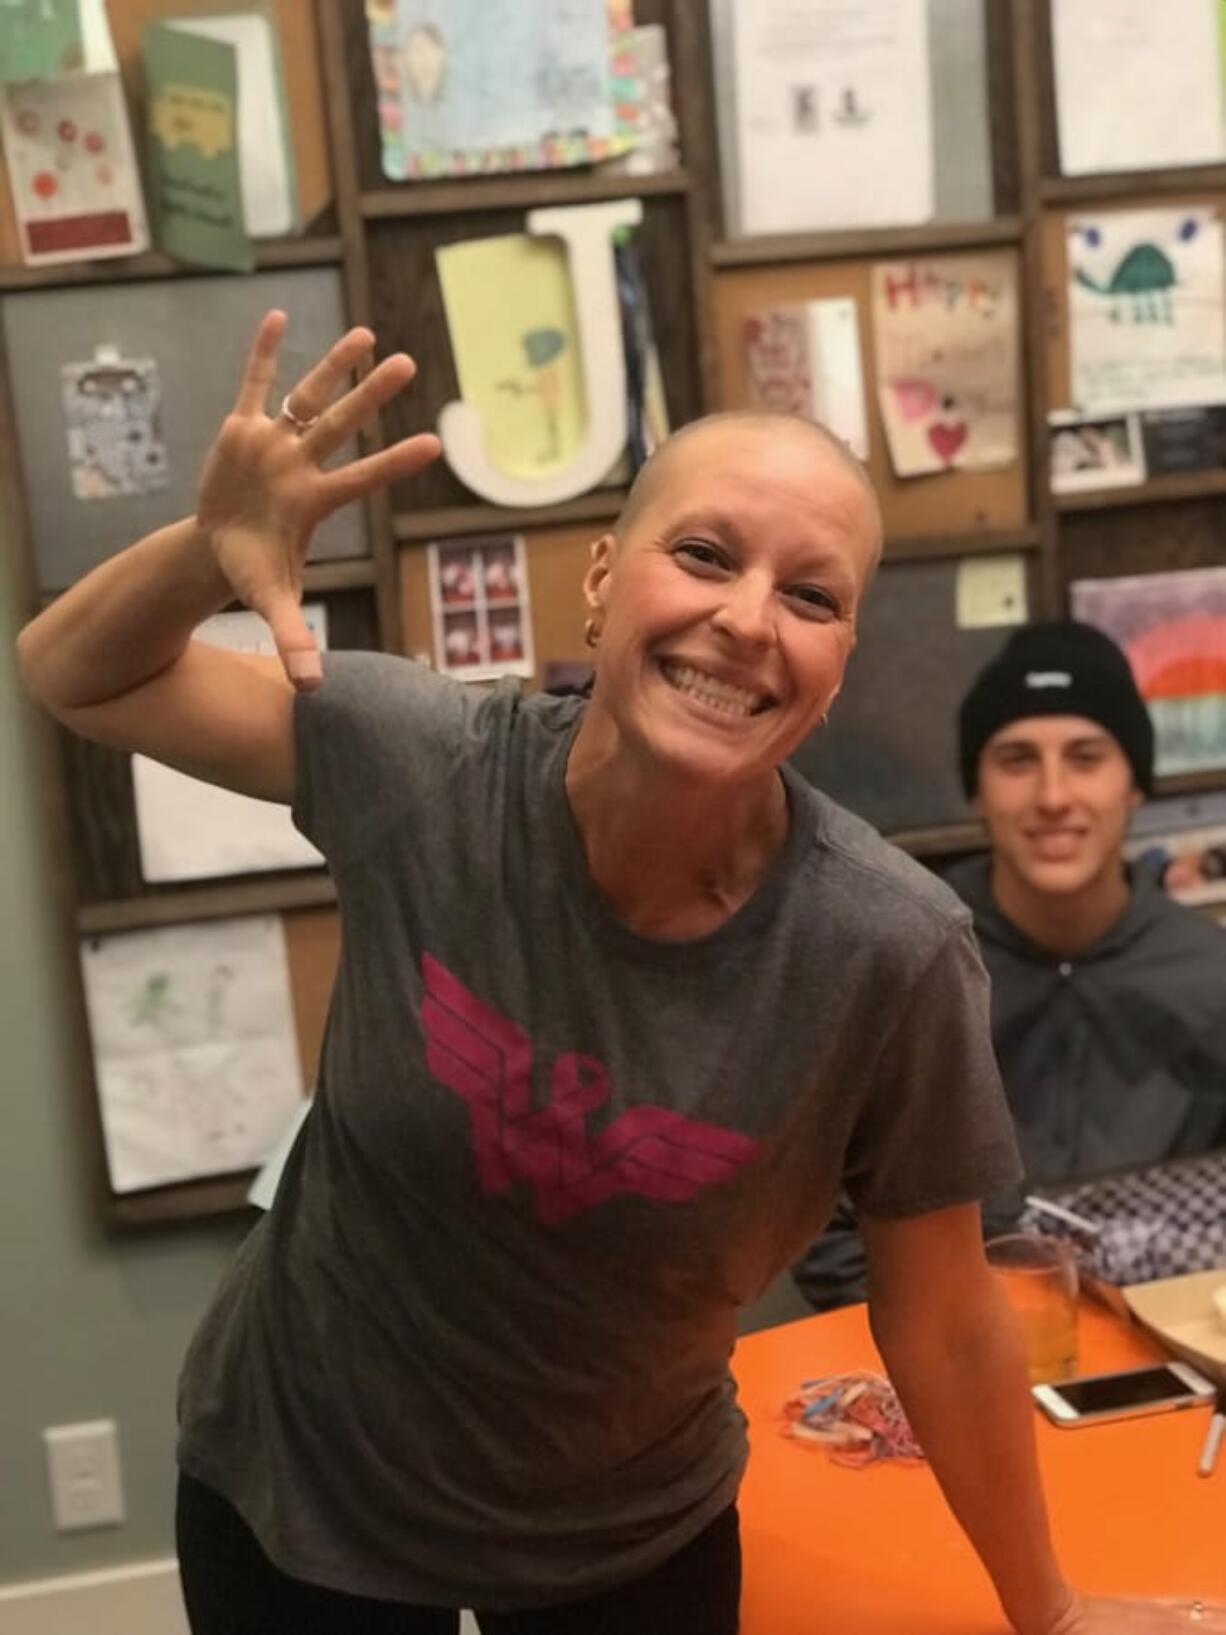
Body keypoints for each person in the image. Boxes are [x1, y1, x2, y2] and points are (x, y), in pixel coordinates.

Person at [16, 313, 1222, 1635]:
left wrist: (1044, 1606)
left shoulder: (887, 947)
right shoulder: (420, 764)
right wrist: (205, 551)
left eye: (810, 595)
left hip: (626, 1524)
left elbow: (938, 1316)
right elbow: (73, 670)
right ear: (599, 581)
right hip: (301, 1473)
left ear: (834, 671)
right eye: (702, 554)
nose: (746, 618)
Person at [794, 620, 1226, 1313]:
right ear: (976, 788)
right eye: (1018, 760)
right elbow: (820, 1224)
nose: (1053, 796)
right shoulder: (907, 955)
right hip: (939, 1360)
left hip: (1171, 1352)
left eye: (1086, 757)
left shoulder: (1211, 974)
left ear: (1135, 785)